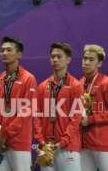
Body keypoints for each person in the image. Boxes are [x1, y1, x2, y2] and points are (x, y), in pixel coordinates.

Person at [34, 42, 83, 171]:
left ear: (68, 59)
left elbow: (76, 118)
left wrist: (63, 142)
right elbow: (37, 115)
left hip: (67, 147)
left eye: (59, 56)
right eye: (52, 56)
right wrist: (41, 140)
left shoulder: (75, 86)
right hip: (46, 147)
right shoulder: (43, 86)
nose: (55, 59)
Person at [0, 37, 36, 171]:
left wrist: (5, 134)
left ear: (19, 54)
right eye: (2, 50)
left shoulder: (28, 79)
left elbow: (25, 112)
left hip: (18, 143)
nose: (4, 53)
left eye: (9, 50)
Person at [79, 44, 108, 171]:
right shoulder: (79, 83)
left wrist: (90, 119)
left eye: (91, 60)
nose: (86, 62)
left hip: (103, 143)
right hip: (84, 144)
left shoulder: (107, 83)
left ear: (99, 63)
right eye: (85, 58)